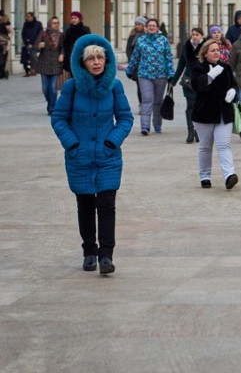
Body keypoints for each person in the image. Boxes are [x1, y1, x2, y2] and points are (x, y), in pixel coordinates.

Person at [51, 34, 133, 274]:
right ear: (82, 62)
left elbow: (126, 118)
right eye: (91, 59)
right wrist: (72, 145)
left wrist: (112, 142)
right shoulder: (71, 87)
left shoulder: (115, 86)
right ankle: (89, 251)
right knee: (85, 205)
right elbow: (58, 119)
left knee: (107, 205)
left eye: (100, 57)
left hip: (108, 157)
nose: (96, 62)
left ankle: (106, 256)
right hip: (80, 157)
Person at [191, 38, 240, 189]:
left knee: (224, 145)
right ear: (205, 53)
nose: (216, 53)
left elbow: (234, 85)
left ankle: (229, 175)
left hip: (223, 114)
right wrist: (210, 76)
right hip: (204, 114)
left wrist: (233, 92)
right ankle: (205, 176)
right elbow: (197, 87)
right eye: (212, 50)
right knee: (205, 146)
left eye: (218, 50)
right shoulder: (198, 68)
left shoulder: (225, 68)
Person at [126, 18, 174, 135]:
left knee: (157, 101)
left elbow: (168, 58)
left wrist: (171, 73)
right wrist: (130, 69)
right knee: (147, 100)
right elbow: (135, 57)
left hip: (160, 75)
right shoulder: (141, 40)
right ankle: (145, 127)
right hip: (144, 75)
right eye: (150, 26)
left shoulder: (163, 40)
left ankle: (157, 124)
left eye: (154, 26)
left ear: (157, 28)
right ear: (146, 27)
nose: (152, 27)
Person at [170, 27, 205, 143]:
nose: (194, 36)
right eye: (193, 34)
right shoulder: (186, 47)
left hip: (202, 81)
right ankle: (190, 131)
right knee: (190, 106)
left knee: (200, 107)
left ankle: (198, 131)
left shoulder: (206, 47)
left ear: (202, 36)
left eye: (197, 34)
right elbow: (181, 65)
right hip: (188, 81)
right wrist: (173, 82)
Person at [35, 16, 64, 114]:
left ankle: (52, 108)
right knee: (45, 88)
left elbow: (64, 47)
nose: (56, 25)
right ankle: (50, 103)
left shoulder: (61, 35)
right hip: (44, 63)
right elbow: (35, 46)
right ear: (49, 24)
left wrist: (62, 54)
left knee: (52, 87)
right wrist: (39, 46)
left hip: (55, 63)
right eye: (54, 23)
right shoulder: (43, 34)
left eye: (57, 23)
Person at [62, 11, 91, 77]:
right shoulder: (68, 30)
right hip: (72, 56)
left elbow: (89, 42)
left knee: (83, 76)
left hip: (83, 56)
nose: (73, 20)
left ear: (79, 19)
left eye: (75, 18)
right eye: (72, 18)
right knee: (73, 76)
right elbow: (66, 44)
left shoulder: (85, 29)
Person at [21, 12, 43, 76]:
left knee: (33, 56)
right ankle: (27, 70)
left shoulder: (38, 24)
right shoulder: (25, 24)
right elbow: (23, 33)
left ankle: (34, 70)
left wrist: (38, 42)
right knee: (25, 57)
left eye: (29, 17)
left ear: (32, 17)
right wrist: (25, 41)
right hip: (26, 43)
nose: (27, 18)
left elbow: (40, 33)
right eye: (26, 17)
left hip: (35, 43)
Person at [0, 9, 11, 79]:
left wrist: (8, 37)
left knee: (3, 59)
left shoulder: (7, 23)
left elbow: (11, 32)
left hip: (4, 44)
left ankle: (3, 72)